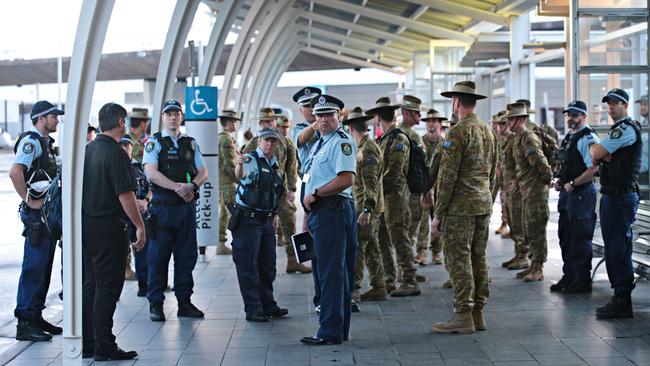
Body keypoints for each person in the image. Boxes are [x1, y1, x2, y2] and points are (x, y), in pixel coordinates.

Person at [431, 81, 497, 334]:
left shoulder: (457, 133)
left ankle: (462, 314)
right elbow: (493, 172)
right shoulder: (487, 130)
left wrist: (438, 215)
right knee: (478, 257)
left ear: (456, 101)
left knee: (458, 259)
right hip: (483, 203)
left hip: (460, 208)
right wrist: (486, 195)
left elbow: (447, 178)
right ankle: (478, 312)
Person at [82, 102, 144, 361]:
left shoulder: (87, 150)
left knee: (90, 286)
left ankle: (89, 343)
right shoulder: (117, 154)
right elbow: (125, 195)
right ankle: (104, 346)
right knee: (108, 288)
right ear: (121, 123)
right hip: (109, 229)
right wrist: (139, 225)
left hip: (85, 227)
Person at [142, 99, 207, 322]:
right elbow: (151, 172)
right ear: (162, 117)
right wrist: (178, 188)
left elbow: (203, 172)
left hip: (186, 209)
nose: (172, 117)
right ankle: (156, 304)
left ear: (181, 117)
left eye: (176, 114)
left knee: (186, 258)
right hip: (163, 210)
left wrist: (193, 186)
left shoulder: (190, 143)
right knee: (158, 258)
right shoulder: (155, 143)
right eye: (168, 113)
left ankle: (184, 303)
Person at [300, 95, 357, 345]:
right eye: (319, 115)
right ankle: (337, 329)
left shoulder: (340, 143)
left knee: (331, 272)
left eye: (328, 115)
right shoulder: (320, 143)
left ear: (339, 117)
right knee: (333, 271)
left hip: (332, 209)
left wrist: (315, 194)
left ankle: (330, 331)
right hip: (321, 211)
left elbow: (346, 179)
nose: (322, 119)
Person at [9, 100, 63, 341]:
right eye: (54, 116)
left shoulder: (46, 143)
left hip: (47, 216)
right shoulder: (32, 141)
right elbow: (15, 171)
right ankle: (25, 322)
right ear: (41, 118)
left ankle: (35, 316)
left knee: (43, 267)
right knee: (34, 267)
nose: (57, 120)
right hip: (37, 217)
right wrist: (29, 201)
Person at [590, 88, 642, 319]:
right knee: (614, 247)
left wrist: (604, 153)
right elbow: (595, 153)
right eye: (609, 104)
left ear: (625, 105)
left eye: (616, 103)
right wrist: (602, 154)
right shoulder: (617, 131)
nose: (611, 107)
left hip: (620, 197)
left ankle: (622, 299)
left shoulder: (626, 130)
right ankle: (619, 296)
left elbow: (598, 151)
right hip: (614, 195)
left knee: (618, 248)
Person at [230, 127, 289, 322]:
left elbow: (274, 192)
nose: (270, 144)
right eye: (267, 140)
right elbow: (239, 174)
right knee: (248, 266)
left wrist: (274, 216)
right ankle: (253, 309)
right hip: (248, 220)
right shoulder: (249, 158)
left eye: (273, 141)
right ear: (259, 141)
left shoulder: (274, 163)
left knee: (267, 265)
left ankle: (268, 304)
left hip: (265, 220)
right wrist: (239, 164)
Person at [369, 96, 420, 297]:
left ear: (377, 118)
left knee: (399, 239)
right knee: (383, 238)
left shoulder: (397, 138)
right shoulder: (385, 138)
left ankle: (410, 279)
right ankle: (390, 278)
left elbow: (395, 171)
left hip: (396, 199)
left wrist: (376, 188)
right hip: (385, 199)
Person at [551, 100, 599, 294]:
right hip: (568, 194)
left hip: (581, 195)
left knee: (579, 239)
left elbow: (594, 168)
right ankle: (569, 276)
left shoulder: (588, 138)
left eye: (575, 115)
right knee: (566, 237)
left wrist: (574, 183)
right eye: (569, 115)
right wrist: (561, 181)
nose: (571, 118)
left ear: (584, 117)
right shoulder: (570, 137)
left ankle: (582, 281)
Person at [344, 107, 388, 304]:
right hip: (367, 205)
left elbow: (370, 181)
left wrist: (367, 209)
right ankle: (379, 286)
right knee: (371, 247)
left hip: (366, 207)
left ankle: (354, 289)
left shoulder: (368, 149)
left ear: (351, 127)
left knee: (358, 248)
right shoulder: (365, 146)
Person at [506, 102, 552, 282]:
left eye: (513, 119)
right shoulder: (517, 138)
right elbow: (520, 166)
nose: (509, 122)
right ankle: (533, 264)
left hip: (535, 193)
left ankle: (538, 267)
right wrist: (517, 181)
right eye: (509, 119)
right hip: (526, 191)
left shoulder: (528, 138)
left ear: (523, 119)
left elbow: (542, 164)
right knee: (528, 229)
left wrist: (545, 183)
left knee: (536, 229)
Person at [290, 87, 323, 311]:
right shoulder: (301, 129)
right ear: (301, 109)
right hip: (311, 188)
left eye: (314, 105)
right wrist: (317, 123)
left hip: (334, 188)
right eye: (307, 106)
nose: (312, 109)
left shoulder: (329, 125)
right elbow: (300, 140)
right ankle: (320, 295)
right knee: (313, 237)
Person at [275, 115, 311, 274]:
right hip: (262, 193)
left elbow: (291, 167)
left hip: (281, 191)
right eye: (281, 127)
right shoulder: (258, 141)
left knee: (289, 223)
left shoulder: (288, 142)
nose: (284, 130)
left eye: (286, 127)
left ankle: (293, 260)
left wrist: (292, 189)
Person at [119, 134, 153, 297]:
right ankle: (114, 291)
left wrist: (145, 201)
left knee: (142, 249)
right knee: (118, 254)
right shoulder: (114, 168)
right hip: (121, 217)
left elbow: (151, 187)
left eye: (128, 146)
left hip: (140, 215)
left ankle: (144, 285)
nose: (125, 149)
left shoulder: (139, 168)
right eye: (122, 147)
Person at [397, 96, 427, 283]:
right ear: (406, 113)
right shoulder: (411, 136)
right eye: (416, 113)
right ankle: (405, 272)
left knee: (406, 233)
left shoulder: (394, 133)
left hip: (403, 192)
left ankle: (405, 270)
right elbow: (422, 166)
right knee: (409, 233)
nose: (419, 116)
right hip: (411, 192)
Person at [417, 109, 447, 266]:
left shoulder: (445, 143)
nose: (431, 124)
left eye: (434, 121)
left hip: (440, 189)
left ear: (440, 123)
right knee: (422, 222)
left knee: (438, 220)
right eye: (428, 121)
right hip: (424, 187)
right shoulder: (420, 141)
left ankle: (436, 252)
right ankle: (421, 252)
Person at [124, 107, 150, 280]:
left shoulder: (138, 142)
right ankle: (128, 269)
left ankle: (137, 274)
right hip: (130, 194)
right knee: (132, 235)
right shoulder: (130, 143)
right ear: (143, 123)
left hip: (139, 194)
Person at [217, 109, 240, 256]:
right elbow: (229, 163)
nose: (236, 124)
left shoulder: (220, 138)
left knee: (225, 213)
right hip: (227, 182)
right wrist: (239, 178)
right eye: (235, 121)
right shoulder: (226, 139)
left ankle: (221, 243)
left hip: (222, 181)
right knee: (232, 212)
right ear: (229, 122)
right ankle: (228, 242)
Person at [635, 95, 649, 199]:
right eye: (641, 104)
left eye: (645, 104)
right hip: (639, 175)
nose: (642, 107)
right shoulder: (641, 126)